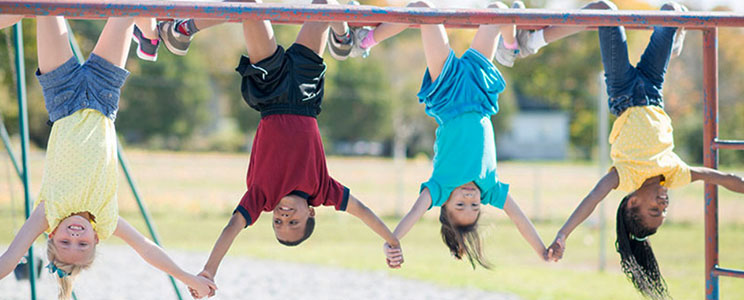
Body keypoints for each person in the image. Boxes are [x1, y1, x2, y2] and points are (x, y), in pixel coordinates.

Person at [188, 1, 401, 296]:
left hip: (270, 90)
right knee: (324, 6)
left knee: (251, 8)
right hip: (305, 91)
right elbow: (362, 211)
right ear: (311, 214)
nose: (283, 214)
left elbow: (230, 229)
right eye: (293, 221)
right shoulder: (323, 190)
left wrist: (209, 270)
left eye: (278, 222)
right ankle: (344, 38)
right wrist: (392, 239)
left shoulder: (260, 197)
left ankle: (183, 29)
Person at [0, 16, 216, 299]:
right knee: (125, 8)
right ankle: (151, 34)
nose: (75, 237)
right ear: (96, 239)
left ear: (51, 235)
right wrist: (187, 277)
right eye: (82, 245)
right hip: (104, 95)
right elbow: (146, 248)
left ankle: (151, 34)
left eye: (65, 242)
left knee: (46, 7)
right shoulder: (106, 219)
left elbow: (7, 261)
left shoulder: (47, 215)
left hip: (61, 94)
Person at [540, 1, 744, 298]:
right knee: (672, 9)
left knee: (604, 8)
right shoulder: (674, 174)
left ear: (632, 203)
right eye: (664, 209)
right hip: (652, 87)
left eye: (654, 209)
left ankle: (533, 40)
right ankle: (674, 33)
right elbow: (721, 177)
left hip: (622, 90)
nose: (663, 203)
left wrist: (563, 234)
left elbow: (593, 198)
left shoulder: (626, 177)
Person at [334, 0, 548, 269]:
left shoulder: (439, 189)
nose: (470, 200)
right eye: (474, 207)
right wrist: (541, 249)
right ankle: (512, 46)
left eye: (461, 206)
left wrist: (393, 240)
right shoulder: (489, 189)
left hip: (449, 95)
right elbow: (519, 218)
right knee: (497, 9)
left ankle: (364, 41)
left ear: (445, 206)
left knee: (423, 9)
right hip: (479, 93)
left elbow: (413, 213)